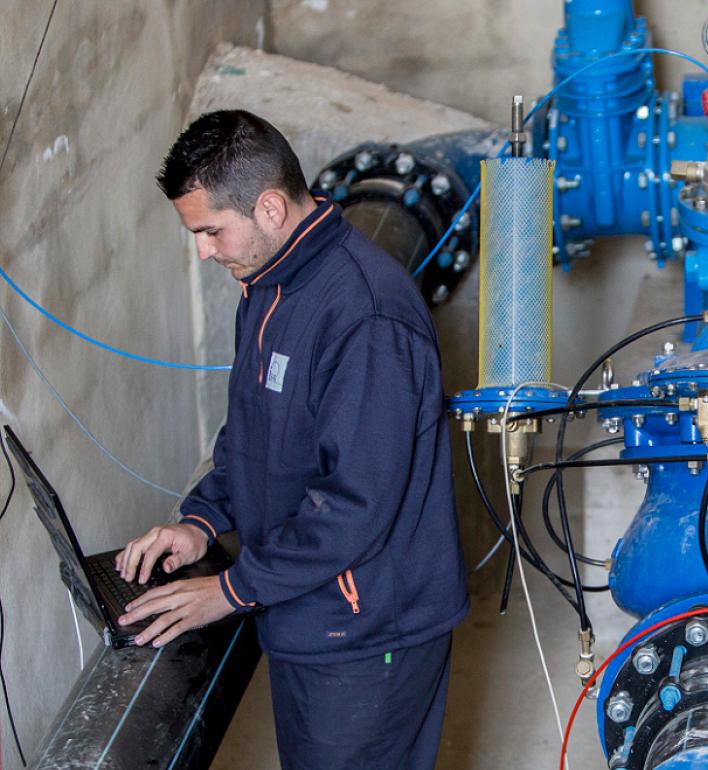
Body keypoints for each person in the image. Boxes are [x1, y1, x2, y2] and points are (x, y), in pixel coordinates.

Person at [113, 110, 468, 769]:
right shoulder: (267, 286)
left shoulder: (365, 315)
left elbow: (356, 503)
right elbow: (254, 435)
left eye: (211, 230)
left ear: (270, 207)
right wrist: (200, 520)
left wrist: (228, 590)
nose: (204, 250)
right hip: (310, 614)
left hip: (369, 634)